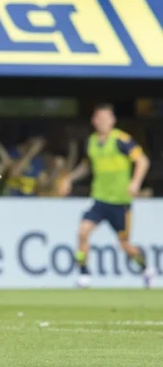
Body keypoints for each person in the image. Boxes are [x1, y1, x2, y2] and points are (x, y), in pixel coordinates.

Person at [59, 104, 152, 288]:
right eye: (98, 118)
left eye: (105, 118)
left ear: (113, 120)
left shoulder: (122, 140)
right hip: (100, 200)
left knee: (125, 245)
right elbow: (87, 166)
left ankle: (145, 267)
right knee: (82, 232)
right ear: (94, 121)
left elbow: (142, 161)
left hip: (120, 202)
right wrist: (70, 178)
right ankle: (84, 274)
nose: (102, 122)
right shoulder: (92, 141)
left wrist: (135, 182)